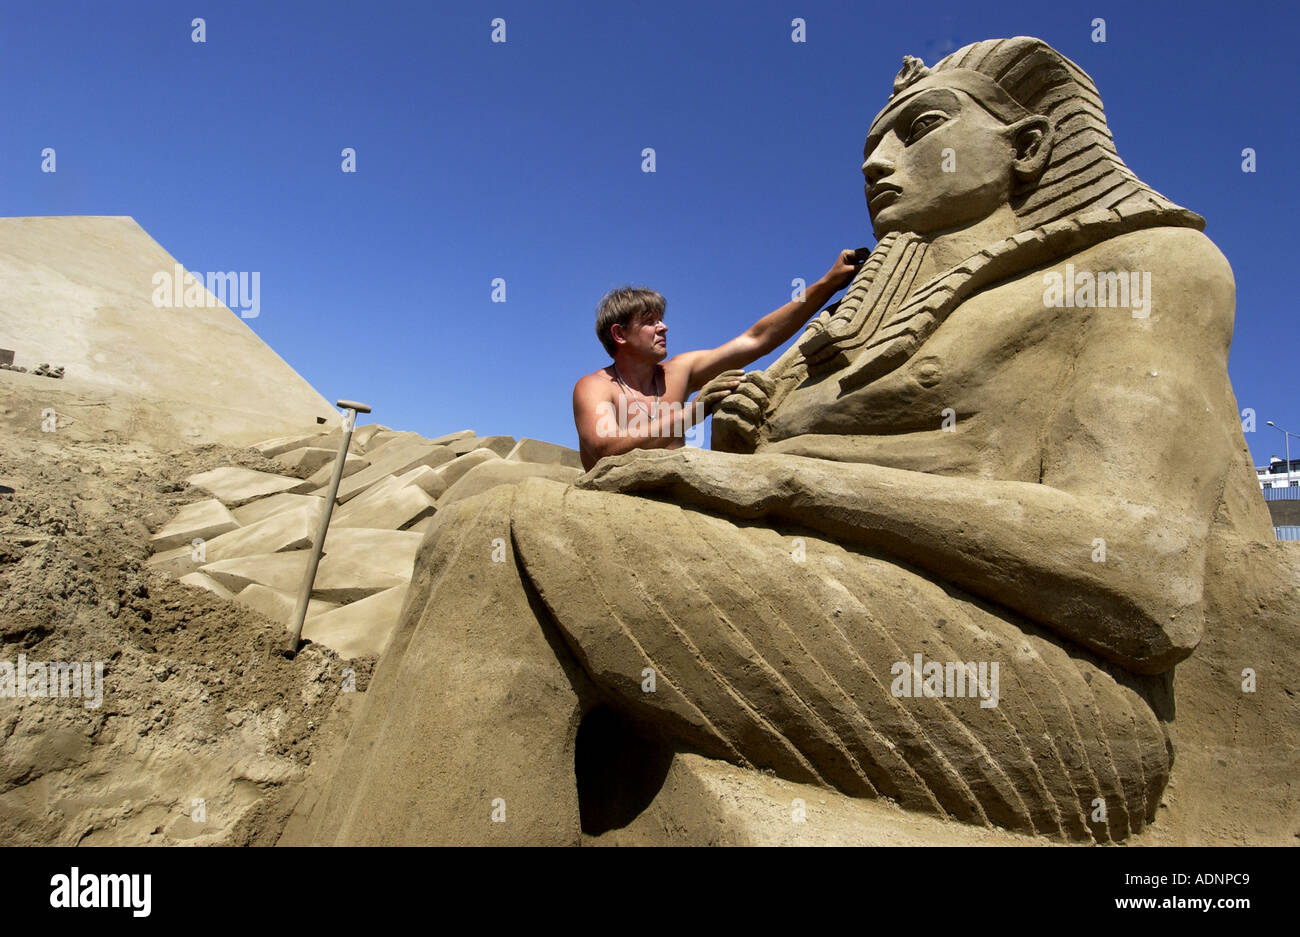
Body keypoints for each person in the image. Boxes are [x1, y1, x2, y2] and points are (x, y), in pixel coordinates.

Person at [298, 37, 1276, 845]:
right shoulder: (867, 329)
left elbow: (1142, 573)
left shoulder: (1145, 268)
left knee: (503, 536)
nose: (879, 166)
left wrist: (792, 485)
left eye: (918, 130)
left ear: (1025, 148)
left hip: (1050, 696)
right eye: (867, 152)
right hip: (857, 605)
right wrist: (747, 446)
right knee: (474, 499)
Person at [573, 251, 861, 471]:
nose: (664, 327)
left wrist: (827, 284)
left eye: (661, 319)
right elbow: (605, 448)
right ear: (619, 334)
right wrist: (694, 412)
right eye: (650, 322)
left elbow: (756, 339)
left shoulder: (679, 372)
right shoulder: (594, 386)